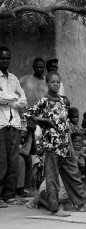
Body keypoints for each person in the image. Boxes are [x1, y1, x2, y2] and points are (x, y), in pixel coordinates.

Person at [25, 71, 86, 216]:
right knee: (52, 178)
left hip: (65, 146)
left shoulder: (63, 101)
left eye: (58, 82)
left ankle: (82, 204)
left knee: (74, 174)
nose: (55, 84)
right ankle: (54, 208)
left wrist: (71, 146)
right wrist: (45, 121)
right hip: (52, 146)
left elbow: (66, 125)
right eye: (52, 82)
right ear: (47, 84)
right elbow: (28, 114)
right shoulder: (44, 101)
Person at [0, 46, 27, 208]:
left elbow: (23, 99)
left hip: (14, 123)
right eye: (2, 58)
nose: (5, 61)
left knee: (13, 161)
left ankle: (8, 195)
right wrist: (14, 99)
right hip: (1, 124)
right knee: (1, 162)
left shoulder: (14, 79)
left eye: (7, 58)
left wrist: (10, 100)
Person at [71, 132, 86, 199]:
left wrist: (83, 155)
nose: (78, 144)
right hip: (70, 174)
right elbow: (82, 163)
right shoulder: (71, 150)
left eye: (79, 142)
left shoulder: (82, 150)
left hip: (79, 171)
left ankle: (85, 191)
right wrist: (77, 157)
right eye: (75, 142)